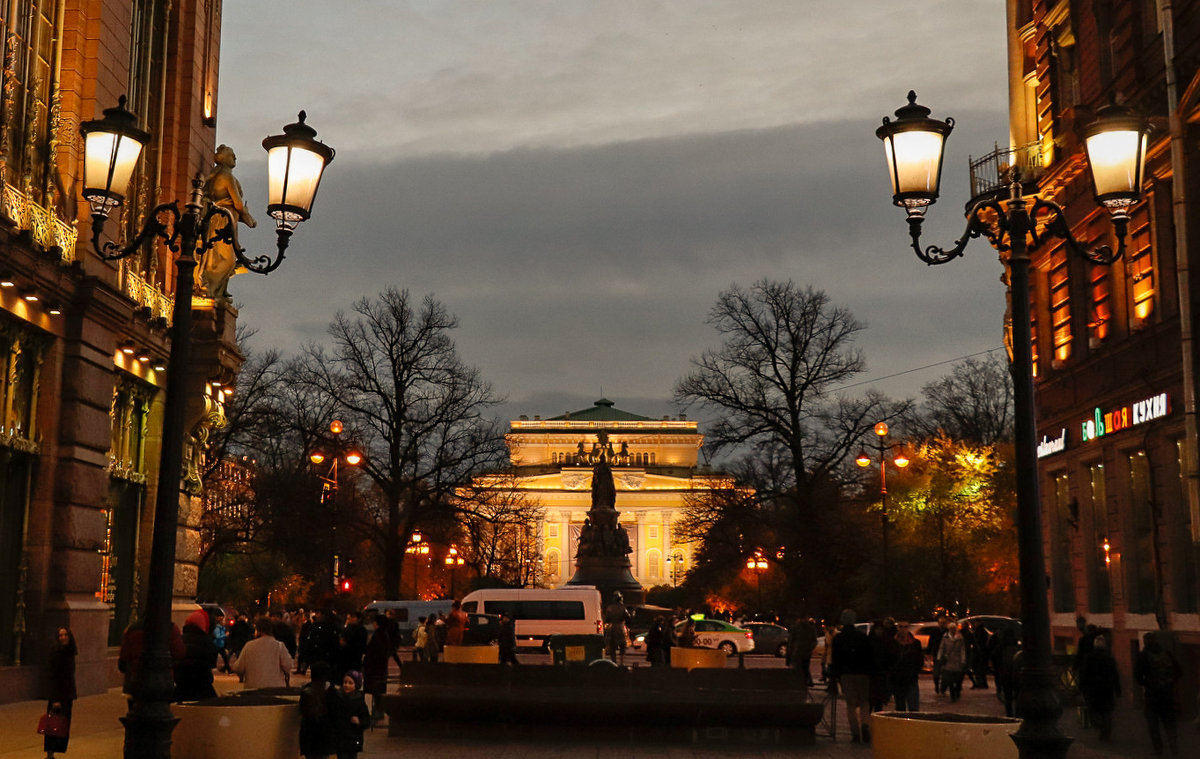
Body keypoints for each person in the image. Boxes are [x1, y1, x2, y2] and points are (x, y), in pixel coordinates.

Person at [199, 144, 257, 303]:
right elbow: (237, 204)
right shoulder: (226, 176)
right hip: (223, 219)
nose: (235, 158)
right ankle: (211, 290)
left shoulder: (220, 176)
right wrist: (249, 217)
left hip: (223, 218)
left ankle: (219, 291)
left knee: (220, 256)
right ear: (225, 159)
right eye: (232, 155)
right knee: (226, 259)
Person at [1134, 631, 1182, 755]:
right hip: (1167, 693)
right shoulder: (1167, 654)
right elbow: (1178, 672)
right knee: (1169, 722)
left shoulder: (1143, 656)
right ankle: (1174, 747)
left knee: (1153, 724)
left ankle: (1158, 749)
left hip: (1152, 695)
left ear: (1145, 642)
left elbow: (1138, 676)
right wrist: (1169, 684)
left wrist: (1148, 684)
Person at [830, 609, 873, 744]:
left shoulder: (838, 639)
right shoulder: (862, 637)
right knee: (865, 703)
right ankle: (865, 725)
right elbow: (869, 656)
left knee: (851, 704)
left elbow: (835, 659)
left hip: (846, 674)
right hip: (863, 673)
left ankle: (855, 733)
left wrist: (835, 676)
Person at [1079, 634, 1121, 742]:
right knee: (1107, 712)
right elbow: (1115, 674)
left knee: (1093, 711)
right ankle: (1106, 733)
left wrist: (1082, 688)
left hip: (1093, 689)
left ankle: (1101, 728)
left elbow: (1084, 674)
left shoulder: (1089, 658)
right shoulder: (1109, 658)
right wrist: (1118, 689)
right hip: (1107, 688)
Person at [232, 616, 293, 689]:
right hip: (275, 688)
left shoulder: (249, 646)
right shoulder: (279, 646)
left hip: (253, 688)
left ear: (258, 630)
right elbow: (288, 665)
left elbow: (238, 667)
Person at [44, 627, 77, 759]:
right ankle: (50, 753)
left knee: (63, 724)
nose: (63, 637)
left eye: (65, 635)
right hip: (57, 695)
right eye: (60, 635)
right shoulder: (56, 653)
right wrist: (55, 699)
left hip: (67, 694)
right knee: (53, 724)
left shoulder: (70, 653)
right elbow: (54, 676)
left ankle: (55, 751)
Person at [300, 661, 342, 759]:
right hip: (325, 736)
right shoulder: (332, 692)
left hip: (308, 736)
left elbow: (302, 711)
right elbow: (336, 714)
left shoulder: (306, 691)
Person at [174, 609, 217, 702]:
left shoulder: (180, 641)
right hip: (203, 690)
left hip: (181, 688)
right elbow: (212, 662)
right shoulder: (207, 643)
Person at [361, 611, 396, 726]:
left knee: (376, 691)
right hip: (379, 668)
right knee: (378, 691)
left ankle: (378, 712)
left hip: (375, 668)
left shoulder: (379, 635)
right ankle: (378, 711)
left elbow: (373, 652)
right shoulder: (383, 634)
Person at [890, 620, 924, 712]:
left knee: (913, 707)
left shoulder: (915, 643)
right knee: (900, 707)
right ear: (897, 628)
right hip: (897, 679)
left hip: (911, 678)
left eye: (905, 627)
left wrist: (915, 671)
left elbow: (919, 659)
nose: (903, 629)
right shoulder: (893, 643)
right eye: (901, 627)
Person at [336, 671, 371, 759]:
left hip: (353, 738)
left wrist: (359, 722)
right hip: (340, 739)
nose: (346, 685)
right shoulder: (338, 698)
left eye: (350, 683)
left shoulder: (359, 701)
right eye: (345, 682)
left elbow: (367, 720)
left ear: (356, 685)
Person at [936, 622, 967, 702]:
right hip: (948, 661)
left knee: (957, 679)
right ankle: (953, 694)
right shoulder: (945, 637)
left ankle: (957, 691)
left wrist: (963, 659)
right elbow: (941, 648)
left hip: (957, 661)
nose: (952, 630)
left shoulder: (960, 638)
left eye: (954, 628)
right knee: (949, 679)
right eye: (951, 628)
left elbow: (962, 650)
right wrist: (939, 657)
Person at [786, 617, 818, 686]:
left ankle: (803, 683)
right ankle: (806, 682)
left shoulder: (796, 628)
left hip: (798, 652)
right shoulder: (810, 628)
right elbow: (814, 641)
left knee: (800, 668)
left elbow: (791, 641)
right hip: (804, 652)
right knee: (804, 668)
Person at [928, 616, 949, 695]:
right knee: (936, 673)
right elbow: (931, 642)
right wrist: (929, 652)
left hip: (946, 655)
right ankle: (937, 686)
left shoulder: (948, 632)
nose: (942, 625)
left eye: (944, 623)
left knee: (946, 674)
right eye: (941, 623)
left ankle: (943, 688)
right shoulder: (934, 631)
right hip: (937, 654)